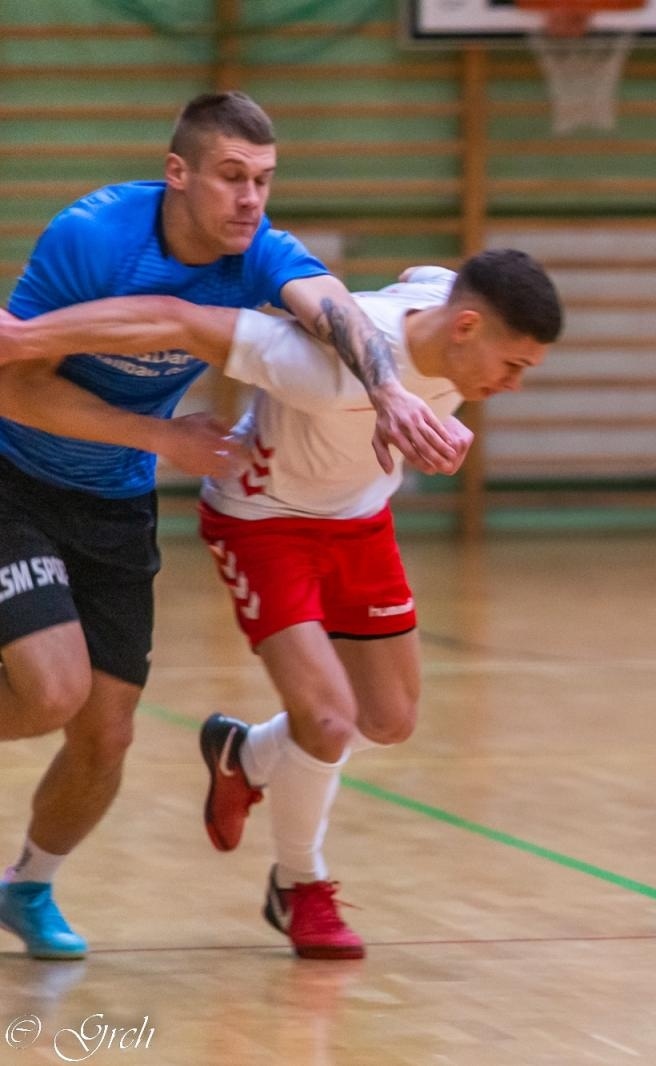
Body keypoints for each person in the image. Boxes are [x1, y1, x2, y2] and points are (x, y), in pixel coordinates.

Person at [0, 249, 563, 958]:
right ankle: (301, 887)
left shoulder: (442, 300)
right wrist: (25, 340)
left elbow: (423, 272)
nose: (512, 386)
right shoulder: (320, 368)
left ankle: (246, 753)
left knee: (388, 719)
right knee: (327, 720)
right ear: (468, 328)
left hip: (358, 520)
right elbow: (177, 319)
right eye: (512, 367)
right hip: (264, 522)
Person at [0, 91, 458, 960]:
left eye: (265, 180)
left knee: (106, 734)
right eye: (232, 178)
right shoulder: (94, 237)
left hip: (113, 503)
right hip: (14, 478)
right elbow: (12, 378)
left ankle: (26, 884)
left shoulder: (254, 252)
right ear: (179, 174)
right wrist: (160, 435)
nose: (251, 199)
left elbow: (330, 305)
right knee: (51, 690)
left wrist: (388, 389)